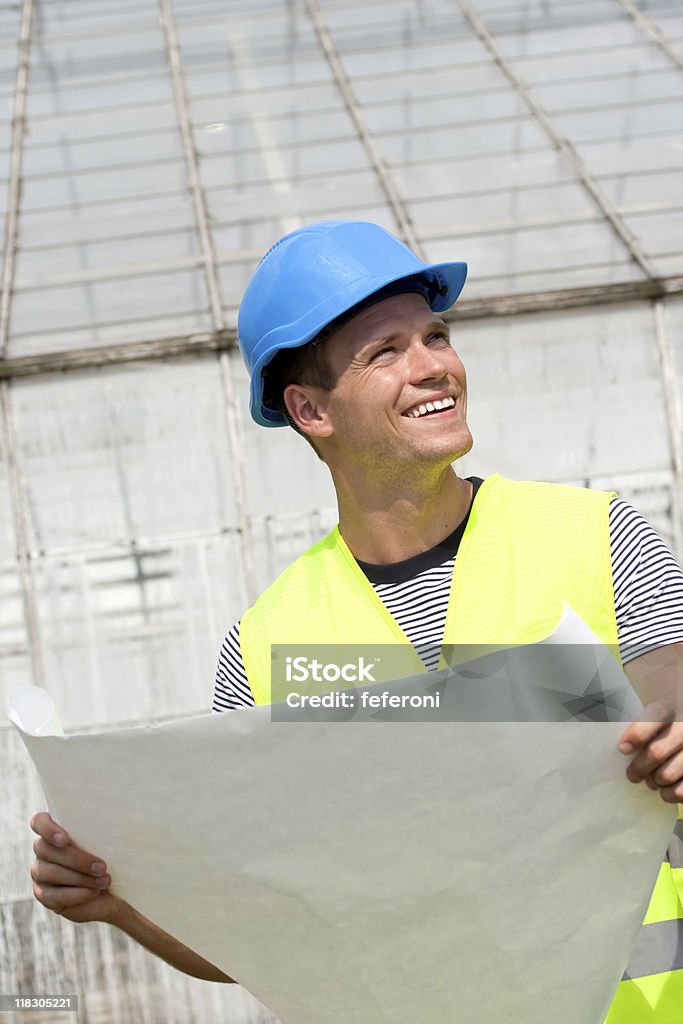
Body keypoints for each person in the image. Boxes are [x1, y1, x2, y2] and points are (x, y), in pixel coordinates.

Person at [31, 220, 683, 1018]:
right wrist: (116, 903)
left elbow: (670, 690)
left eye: (434, 336)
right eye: (386, 353)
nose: (433, 366)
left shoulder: (594, 535)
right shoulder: (268, 649)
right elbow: (265, 931)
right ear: (309, 409)